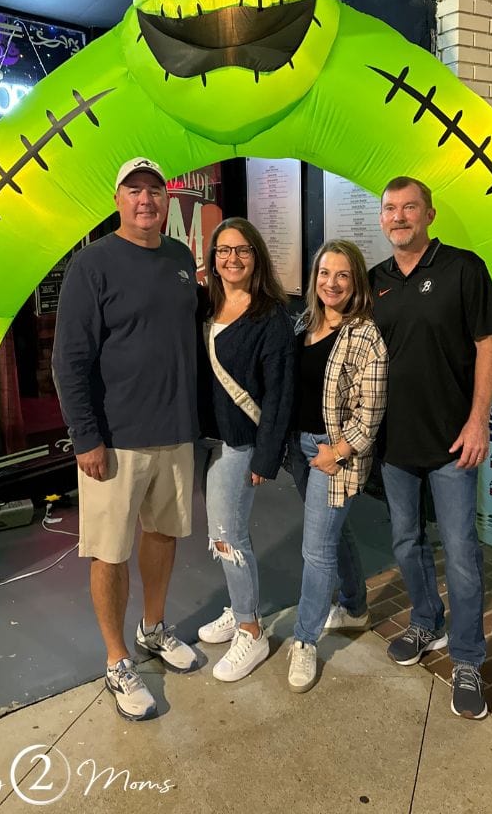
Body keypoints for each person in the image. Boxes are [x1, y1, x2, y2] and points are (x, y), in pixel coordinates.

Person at [52, 156, 199, 722]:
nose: (145, 200)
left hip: (176, 432)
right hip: (115, 442)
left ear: (167, 201)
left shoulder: (182, 259)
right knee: (109, 551)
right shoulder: (93, 266)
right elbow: (69, 360)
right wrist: (85, 437)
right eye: (133, 190)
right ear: (117, 199)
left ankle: (154, 628)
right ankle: (117, 659)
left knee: (163, 535)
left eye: (154, 191)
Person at [370, 176, 492, 720]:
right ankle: (427, 619)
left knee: (463, 556)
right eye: (390, 209)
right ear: (381, 219)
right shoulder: (374, 280)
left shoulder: (463, 268)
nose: (398, 217)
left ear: (430, 214)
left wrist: (479, 422)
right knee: (405, 542)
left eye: (408, 208)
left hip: (453, 440)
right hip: (394, 443)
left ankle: (468, 657)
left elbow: (488, 344)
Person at [286, 240, 388, 693]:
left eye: (342, 275)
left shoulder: (365, 334)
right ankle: (354, 607)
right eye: (325, 273)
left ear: (356, 281)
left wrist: (340, 451)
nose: (332, 283)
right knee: (333, 533)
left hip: (334, 454)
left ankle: (304, 641)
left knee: (316, 549)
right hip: (302, 449)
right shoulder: (305, 323)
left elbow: (371, 410)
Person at [196, 218, 295, 682]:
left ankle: (252, 631)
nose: (232, 259)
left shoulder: (270, 314)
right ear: (213, 258)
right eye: (223, 251)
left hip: (242, 443)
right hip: (208, 440)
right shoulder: (207, 304)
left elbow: (280, 391)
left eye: (242, 251)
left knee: (228, 536)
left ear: (257, 257)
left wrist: (266, 454)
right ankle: (240, 610)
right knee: (223, 534)